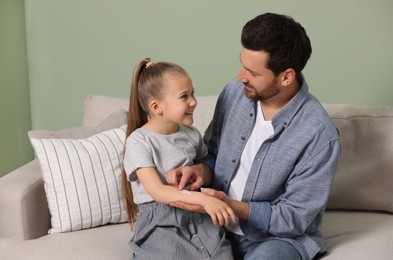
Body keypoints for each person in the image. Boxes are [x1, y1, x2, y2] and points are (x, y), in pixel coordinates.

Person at [165, 13, 341, 260]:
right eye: (242, 65)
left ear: (287, 77)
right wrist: (200, 172)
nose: (240, 77)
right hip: (214, 223)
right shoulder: (236, 93)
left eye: (252, 73)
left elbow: (295, 217)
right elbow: (213, 152)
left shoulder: (319, 134)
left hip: (276, 239)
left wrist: (232, 206)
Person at [121, 58, 236, 260]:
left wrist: (203, 183)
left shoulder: (192, 135)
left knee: (223, 253)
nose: (193, 101)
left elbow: (207, 172)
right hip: (162, 223)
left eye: (193, 93)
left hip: (199, 219)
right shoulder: (139, 142)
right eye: (184, 96)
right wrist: (202, 199)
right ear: (156, 107)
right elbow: (158, 192)